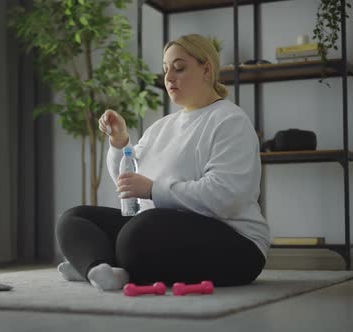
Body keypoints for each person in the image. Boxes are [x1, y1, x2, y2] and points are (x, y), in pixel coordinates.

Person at [55, 34, 271, 291]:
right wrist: (120, 142)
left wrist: (153, 189)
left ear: (206, 69)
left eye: (179, 68)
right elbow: (129, 183)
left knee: (139, 233)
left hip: (236, 243)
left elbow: (224, 197)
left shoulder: (230, 121)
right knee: (74, 218)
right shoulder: (161, 127)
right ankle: (99, 269)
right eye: (166, 69)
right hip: (159, 232)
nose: (169, 78)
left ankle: (97, 261)